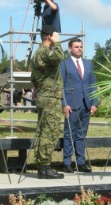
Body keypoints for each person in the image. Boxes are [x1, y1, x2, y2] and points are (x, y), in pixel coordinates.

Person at [60, 38, 99, 173]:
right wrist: (64, 104)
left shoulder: (88, 64)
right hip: (71, 105)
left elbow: (93, 84)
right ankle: (66, 163)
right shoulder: (64, 64)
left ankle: (81, 162)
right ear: (70, 48)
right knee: (69, 134)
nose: (79, 49)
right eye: (76, 47)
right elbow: (61, 85)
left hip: (86, 105)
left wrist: (95, 103)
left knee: (82, 135)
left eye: (81, 46)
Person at [31, 25, 64, 179]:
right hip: (50, 97)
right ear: (50, 36)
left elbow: (33, 79)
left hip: (45, 95)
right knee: (49, 132)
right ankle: (44, 166)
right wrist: (57, 43)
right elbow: (59, 57)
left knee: (43, 131)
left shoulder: (38, 53)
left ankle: (42, 165)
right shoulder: (44, 52)